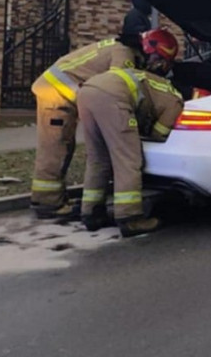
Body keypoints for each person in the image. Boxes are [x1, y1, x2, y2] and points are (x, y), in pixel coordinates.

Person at [29, 32, 157, 220]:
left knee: (63, 145)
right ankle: (47, 202)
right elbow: (117, 84)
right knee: (56, 146)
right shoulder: (124, 55)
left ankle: (53, 198)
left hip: (57, 90)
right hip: (56, 95)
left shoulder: (115, 45)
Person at [77, 29, 184, 238]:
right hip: (114, 98)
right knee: (128, 159)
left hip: (88, 90)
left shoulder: (144, 76)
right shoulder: (175, 99)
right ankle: (130, 218)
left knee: (98, 158)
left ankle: (91, 212)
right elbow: (159, 133)